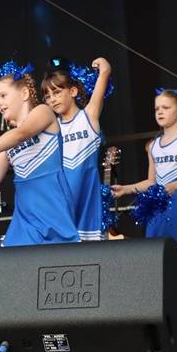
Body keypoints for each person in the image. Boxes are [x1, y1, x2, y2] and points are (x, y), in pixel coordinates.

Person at [111, 88, 177, 309]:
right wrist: (126, 189)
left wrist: (174, 186)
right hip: (159, 207)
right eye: (157, 108)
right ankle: (170, 309)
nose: (160, 112)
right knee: (160, 258)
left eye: (165, 108)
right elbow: (151, 181)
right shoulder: (153, 146)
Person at [0, 66, 79, 246]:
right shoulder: (8, 139)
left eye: (3, 96)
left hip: (53, 208)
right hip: (25, 217)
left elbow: (21, 134)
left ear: (24, 93)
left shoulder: (43, 111)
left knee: (60, 259)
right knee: (14, 261)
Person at [41, 58, 113, 240]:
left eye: (57, 92)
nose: (52, 99)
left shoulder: (88, 116)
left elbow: (104, 75)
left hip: (88, 203)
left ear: (73, 91)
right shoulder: (51, 129)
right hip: (61, 205)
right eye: (48, 96)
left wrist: (103, 68)